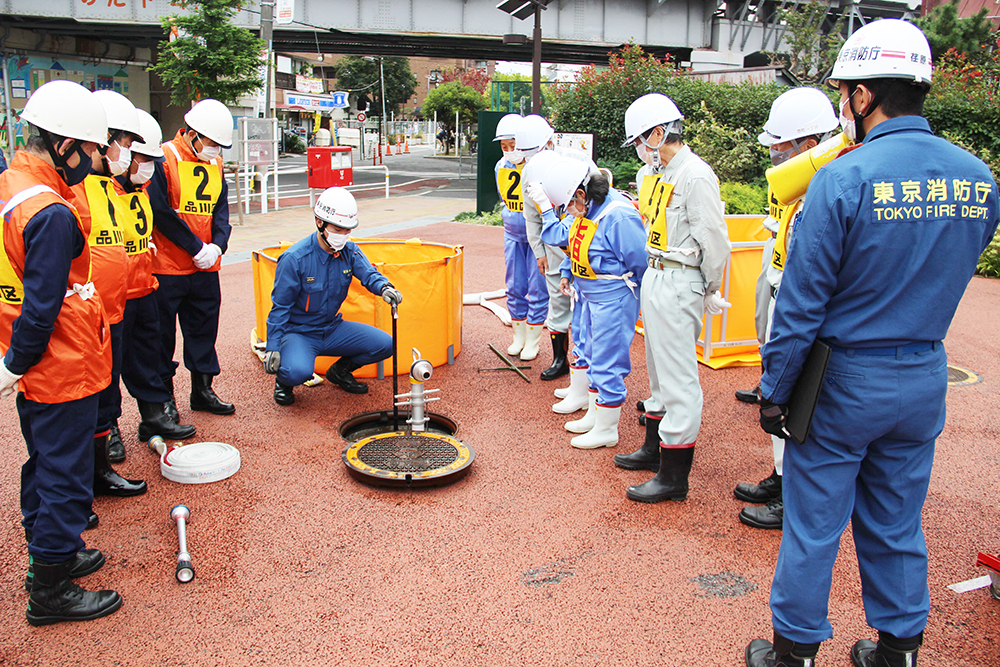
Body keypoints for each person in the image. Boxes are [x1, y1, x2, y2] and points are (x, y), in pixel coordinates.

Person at [744, 20, 1000, 667]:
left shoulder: (841, 180)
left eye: (845, 94)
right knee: (896, 523)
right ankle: (898, 651)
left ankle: (795, 652)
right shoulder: (978, 180)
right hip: (923, 374)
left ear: (862, 97)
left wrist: (776, 391)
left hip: (842, 380)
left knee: (813, 526)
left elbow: (800, 307)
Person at [0, 79, 122, 625]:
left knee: (45, 462)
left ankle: (55, 552)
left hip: (44, 365)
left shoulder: (15, 185)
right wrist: (16, 362)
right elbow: (43, 307)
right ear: (64, 144)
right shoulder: (49, 212)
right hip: (62, 364)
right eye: (94, 149)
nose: (98, 159)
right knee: (66, 475)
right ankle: (50, 586)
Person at [615, 93, 732, 501]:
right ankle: (654, 448)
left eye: (641, 143)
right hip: (658, 273)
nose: (640, 152)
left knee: (679, 378)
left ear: (659, 133)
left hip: (680, 279)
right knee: (659, 370)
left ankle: (674, 476)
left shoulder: (694, 176)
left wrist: (711, 288)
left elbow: (714, 239)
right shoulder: (664, 173)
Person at [734, 87, 838, 531]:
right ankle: (780, 477)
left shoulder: (829, 185)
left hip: (802, 307)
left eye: (780, 145)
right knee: (779, 390)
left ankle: (794, 494)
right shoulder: (800, 182)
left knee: (795, 401)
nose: (774, 154)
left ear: (808, 146)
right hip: (780, 290)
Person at [530, 158, 648, 448]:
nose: (567, 212)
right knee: (592, 351)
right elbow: (575, 241)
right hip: (590, 293)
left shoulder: (617, 215)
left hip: (613, 296)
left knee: (608, 358)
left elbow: (639, 262)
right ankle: (596, 414)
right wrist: (570, 271)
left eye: (567, 205)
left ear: (581, 195)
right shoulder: (589, 209)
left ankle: (607, 428)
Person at [67, 90, 147, 499]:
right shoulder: (74, 189)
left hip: (110, 309)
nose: (128, 154)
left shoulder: (108, 186)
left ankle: (98, 473)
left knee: (103, 393)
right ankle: (80, 485)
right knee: (76, 404)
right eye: (125, 144)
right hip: (81, 317)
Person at [263, 187, 402, 405]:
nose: (344, 236)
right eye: (338, 229)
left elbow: (369, 274)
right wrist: (272, 347)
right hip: (299, 332)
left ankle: (339, 371)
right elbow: (280, 308)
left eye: (348, 230)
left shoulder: (349, 250)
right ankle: (284, 382)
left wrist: (385, 288)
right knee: (297, 371)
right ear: (320, 223)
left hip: (331, 328)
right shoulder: (294, 259)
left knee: (385, 344)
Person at [113, 108, 198, 445]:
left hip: (144, 285)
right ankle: (109, 432)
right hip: (113, 295)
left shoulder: (139, 190)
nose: (147, 167)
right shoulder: (98, 191)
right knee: (108, 370)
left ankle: (153, 418)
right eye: (141, 158)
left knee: (150, 356)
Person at [147, 98, 235, 419]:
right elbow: (160, 210)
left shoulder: (214, 164)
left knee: (203, 329)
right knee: (161, 336)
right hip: (169, 267)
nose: (215, 149)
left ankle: (202, 390)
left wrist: (218, 246)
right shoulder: (164, 158)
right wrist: (195, 246)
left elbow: (221, 210)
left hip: (205, 267)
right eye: (211, 142)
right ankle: (165, 399)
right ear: (194, 133)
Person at [515, 114, 575, 381]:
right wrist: (539, 250)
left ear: (551, 141)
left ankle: (590, 368)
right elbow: (531, 215)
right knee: (558, 301)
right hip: (553, 247)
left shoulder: (576, 160)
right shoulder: (528, 170)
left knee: (589, 304)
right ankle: (560, 359)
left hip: (584, 241)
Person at [493, 113, 548, 363]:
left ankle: (534, 339)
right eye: (504, 147)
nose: (509, 151)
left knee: (538, 287)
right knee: (515, 285)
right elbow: (504, 197)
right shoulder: (500, 167)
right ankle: (519, 336)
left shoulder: (536, 164)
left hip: (537, 234)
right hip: (513, 234)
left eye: (513, 146)